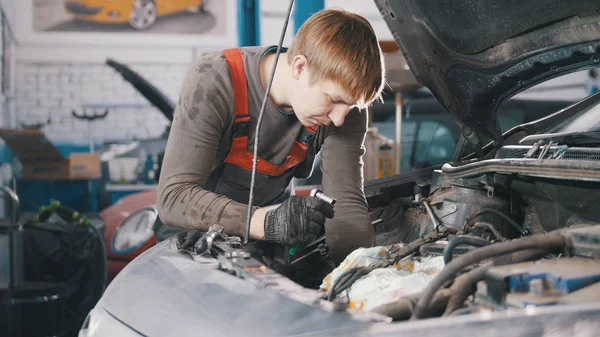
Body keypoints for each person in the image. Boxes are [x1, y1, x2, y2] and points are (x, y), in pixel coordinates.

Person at [154, 8, 386, 269]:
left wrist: (363, 279)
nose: (340, 118)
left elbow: (345, 208)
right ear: (300, 67)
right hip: (189, 250)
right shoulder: (214, 80)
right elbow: (174, 198)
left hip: (266, 248)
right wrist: (267, 223)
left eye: (352, 106)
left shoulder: (345, 108)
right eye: (333, 100)